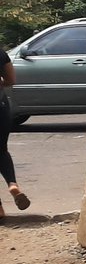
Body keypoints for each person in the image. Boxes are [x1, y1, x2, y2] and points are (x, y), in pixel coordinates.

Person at [0, 45, 31, 220]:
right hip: (1, 108)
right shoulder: (0, 53)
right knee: (1, 151)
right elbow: (11, 80)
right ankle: (12, 184)